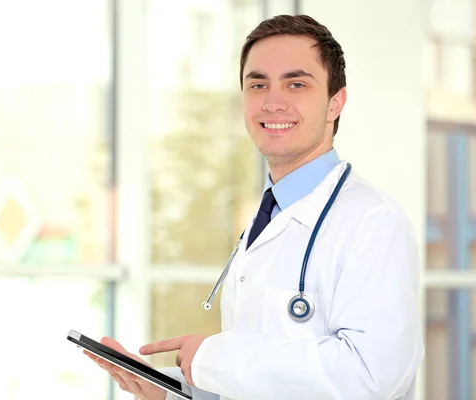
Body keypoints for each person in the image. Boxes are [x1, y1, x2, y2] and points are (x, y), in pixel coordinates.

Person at [85, 14, 424, 400]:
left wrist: (215, 359)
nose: (272, 102)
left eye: (296, 84)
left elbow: (372, 376)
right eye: (257, 84)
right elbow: (263, 384)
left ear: (335, 102)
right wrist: (173, 390)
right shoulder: (268, 214)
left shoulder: (373, 221)